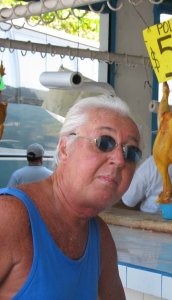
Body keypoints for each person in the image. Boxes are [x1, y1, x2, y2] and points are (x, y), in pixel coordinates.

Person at [0, 95, 141, 299]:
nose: (120, 160)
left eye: (131, 153)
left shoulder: (99, 237)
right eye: (104, 142)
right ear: (65, 148)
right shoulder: (10, 217)